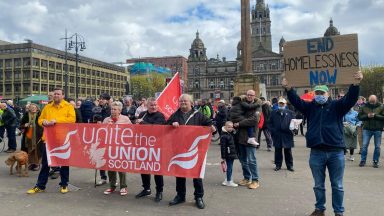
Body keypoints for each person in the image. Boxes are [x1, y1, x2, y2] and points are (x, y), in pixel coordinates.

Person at [283, 70, 363, 216]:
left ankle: (339, 212)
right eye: (317, 93)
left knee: (337, 185)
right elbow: (296, 101)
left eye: (322, 93)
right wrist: (288, 88)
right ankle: (320, 209)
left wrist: (356, 84)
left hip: (336, 152)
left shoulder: (337, 106)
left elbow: (350, 99)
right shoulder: (310, 107)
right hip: (317, 152)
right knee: (318, 185)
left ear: (328, 94)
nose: (319, 95)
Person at [167, 94, 215, 209]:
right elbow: (165, 126)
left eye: (185, 101)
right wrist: (171, 124)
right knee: (179, 174)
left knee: (197, 174)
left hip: (196, 149)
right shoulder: (175, 115)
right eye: (181, 101)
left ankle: (198, 197)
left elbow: (210, 124)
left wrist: (213, 128)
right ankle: (180, 195)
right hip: (179, 148)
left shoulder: (198, 115)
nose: (183, 103)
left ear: (191, 103)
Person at [27, 87, 76, 194]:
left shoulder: (68, 107)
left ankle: (64, 184)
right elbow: (40, 119)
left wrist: (56, 121)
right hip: (48, 139)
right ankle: (40, 186)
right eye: (55, 94)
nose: (56, 96)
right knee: (45, 163)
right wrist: (43, 122)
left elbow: (72, 120)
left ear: (63, 96)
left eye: (58, 94)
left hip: (63, 139)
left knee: (64, 163)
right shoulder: (47, 107)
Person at [135, 97, 166, 202]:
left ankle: (159, 191)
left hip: (156, 147)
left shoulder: (160, 115)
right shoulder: (142, 114)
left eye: (155, 105)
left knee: (157, 169)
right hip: (143, 146)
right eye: (151, 105)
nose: (154, 107)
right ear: (147, 105)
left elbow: (156, 129)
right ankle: (146, 189)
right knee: (144, 168)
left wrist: (142, 123)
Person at [233, 90, 262, 189]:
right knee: (243, 160)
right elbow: (235, 115)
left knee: (251, 160)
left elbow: (254, 120)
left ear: (254, 96)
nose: (249, 96)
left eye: (251, 95)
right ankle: (246, 178)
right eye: (248, 95)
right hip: (241, 135)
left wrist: (240, 123)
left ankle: (255, 180)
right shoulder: (242, 104)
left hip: (251, 136)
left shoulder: (258, 106)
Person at [102, 101, 131, 196]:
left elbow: (132, 131)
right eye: (112, 109)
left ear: (120, 110)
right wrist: (107, 127)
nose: (112, 111)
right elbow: (101, 132)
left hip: (121, 146)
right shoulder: (106, 120)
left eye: (115, 109)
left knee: (121, 166)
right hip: (109, 147)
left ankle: (123, 186)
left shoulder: (125, 119)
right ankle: (112, 186)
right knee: (110, 167)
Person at [358, 95, 384, 168]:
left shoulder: (381, 106)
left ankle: (375, 161)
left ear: (376, 100)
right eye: (371, 101)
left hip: (378, 129)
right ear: (369, 101)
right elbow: (359, 117)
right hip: (367, 128)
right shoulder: (364, 106)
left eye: (373, 101)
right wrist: (367, 116)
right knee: (364, 145)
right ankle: (363, 160)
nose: (372, 103)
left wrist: (375, 115)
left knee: (377, 146)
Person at [269, 98, 295, 172]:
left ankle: (290, 166)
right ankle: (278, 165)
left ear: (285, 104)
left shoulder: (291, 113)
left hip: (287, 134)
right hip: (277, 134)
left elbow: (294, 122)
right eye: (280, 103)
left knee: (288, 151)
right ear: (278, 104)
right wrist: (273, 131)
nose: (281, 105)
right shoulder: (273, 112)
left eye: (283, 104)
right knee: (278, 151)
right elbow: (269, 123)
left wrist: (294, 129)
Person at [19, 103, 43, 171]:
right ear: (29, 108)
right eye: (31, 107)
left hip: (38, 135)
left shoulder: (40, 114)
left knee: (37, 150)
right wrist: (24, 125)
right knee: (29, 150)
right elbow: (21, 124)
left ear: (37, 108)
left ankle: (37, 164)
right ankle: (31, 163)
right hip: (28, 136)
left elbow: (42, 124)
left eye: (34, 107)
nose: (33, 108)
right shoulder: (26, 115)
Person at [220, 121, 238, 187]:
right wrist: (223, 156)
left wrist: (234, 131)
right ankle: (229, 181)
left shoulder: (229, 133)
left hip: (231, 153)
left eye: (231, 127)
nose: (230, 128)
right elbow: (223, 147)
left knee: (230, 167)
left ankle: (227, 179)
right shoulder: (224, 136)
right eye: (229, 127)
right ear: (225, 127)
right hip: (228, 154)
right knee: (229, 167)